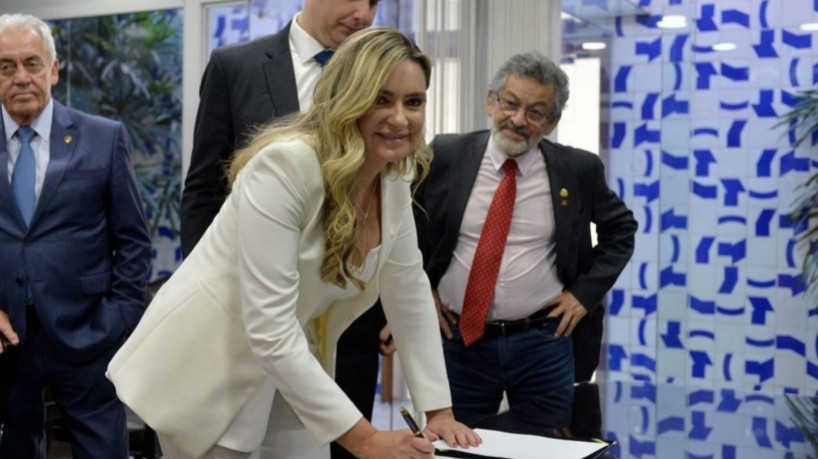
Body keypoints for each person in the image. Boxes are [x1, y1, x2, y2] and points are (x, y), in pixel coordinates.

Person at [107, 28, 481, 459]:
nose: (400, 119)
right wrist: (366, 440)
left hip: (292, 363)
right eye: (381, 99)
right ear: (347, 99)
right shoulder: (285, 166)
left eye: (413, 102)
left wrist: (438, 410)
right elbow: (269, 327)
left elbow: (409, 291)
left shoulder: (394, 176)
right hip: (210, 369)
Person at [181, 5, 389, 456]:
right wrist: (206, 298)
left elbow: (392, 194)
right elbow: (204, 191)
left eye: (374, 1)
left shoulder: (381, 74)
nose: (363, 13)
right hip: (249, 318)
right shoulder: (236, 67)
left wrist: (389, 302)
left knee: (351, 446)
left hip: (345, 320)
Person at [414, 51, 637, 425]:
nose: (518, 120)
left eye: (535, 112)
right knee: (455, 445)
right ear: (491, 101)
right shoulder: (446, 155)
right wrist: (424, 291)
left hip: (543, 344)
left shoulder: (577, 169)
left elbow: (621, 230)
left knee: (545, 446)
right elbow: (408, 228)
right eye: (510, 103)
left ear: (551, 122)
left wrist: (584, 294)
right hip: (458, 342)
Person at [0, 13, 152, 458]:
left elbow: (134, 242)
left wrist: (119, 319)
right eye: (6, 67)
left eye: (31, 63)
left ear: (53, 69)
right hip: (7, 341)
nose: (20, 77)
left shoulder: (103, 138)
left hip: (88, 335)